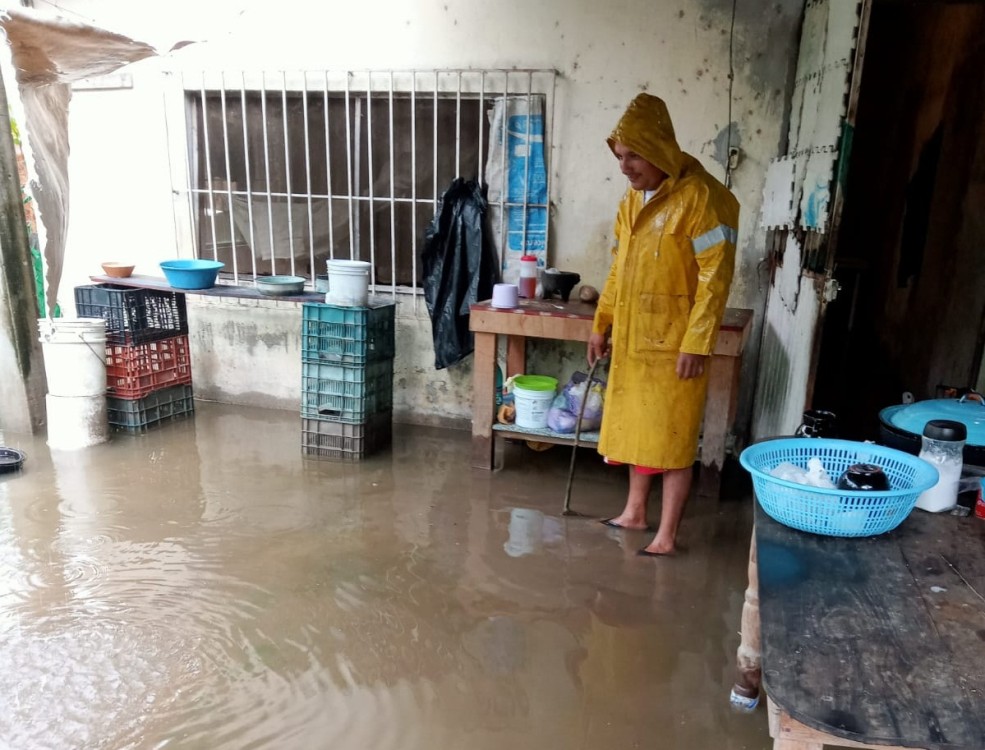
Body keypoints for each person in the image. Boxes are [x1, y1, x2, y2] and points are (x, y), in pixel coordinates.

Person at [588, 93, 739, 557]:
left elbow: (716, 277)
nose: (625, 167)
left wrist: (697, 342)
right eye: (620, 156)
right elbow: (618, 268)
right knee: (639, 430)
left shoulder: (703, 198)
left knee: (672, 438)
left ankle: (667, 535)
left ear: (658, 148)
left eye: (633, 155)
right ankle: (634, 512)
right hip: (634, 338)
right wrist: (602, 322)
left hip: (676, 344)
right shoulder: (630, 204)